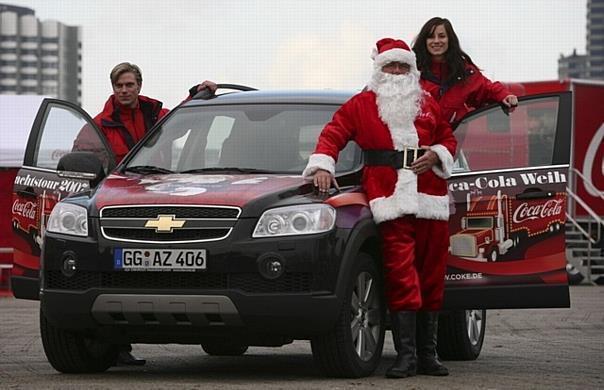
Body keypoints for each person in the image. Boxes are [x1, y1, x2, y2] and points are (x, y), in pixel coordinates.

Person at [303, 38, 456, 378]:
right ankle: (406, 356)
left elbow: (448, 137)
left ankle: (428, 355)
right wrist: (323, 166)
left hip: (430, 197)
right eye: (391, 66)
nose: (397, 72)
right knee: (401, 275)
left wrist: (437, 154)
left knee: (431, 276)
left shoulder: (428, 102)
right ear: (379, 69)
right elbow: (333, 134)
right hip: (389, 198)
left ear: (412, 70)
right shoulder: (360, 105)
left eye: (403, 66)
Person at [87, 62, 217, 163]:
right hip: (119, 193)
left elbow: (183, 120)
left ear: (139, 86)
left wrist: (197, 96)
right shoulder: (98, 126)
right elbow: (84, 168)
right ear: (113, 88)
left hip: (157, 188)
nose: (124, 90)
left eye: (129, 85)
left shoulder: (156, 116)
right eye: (119, 86)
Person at [412, 17, 518, 126]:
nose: (436, 41)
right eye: (431, 37)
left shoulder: (463, 72)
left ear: (450, 39)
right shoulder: (412, 71)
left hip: (453, 139)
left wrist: (504, 95)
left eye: (442, 36)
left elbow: (486, 89)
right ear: (424, 41)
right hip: (418, 139)